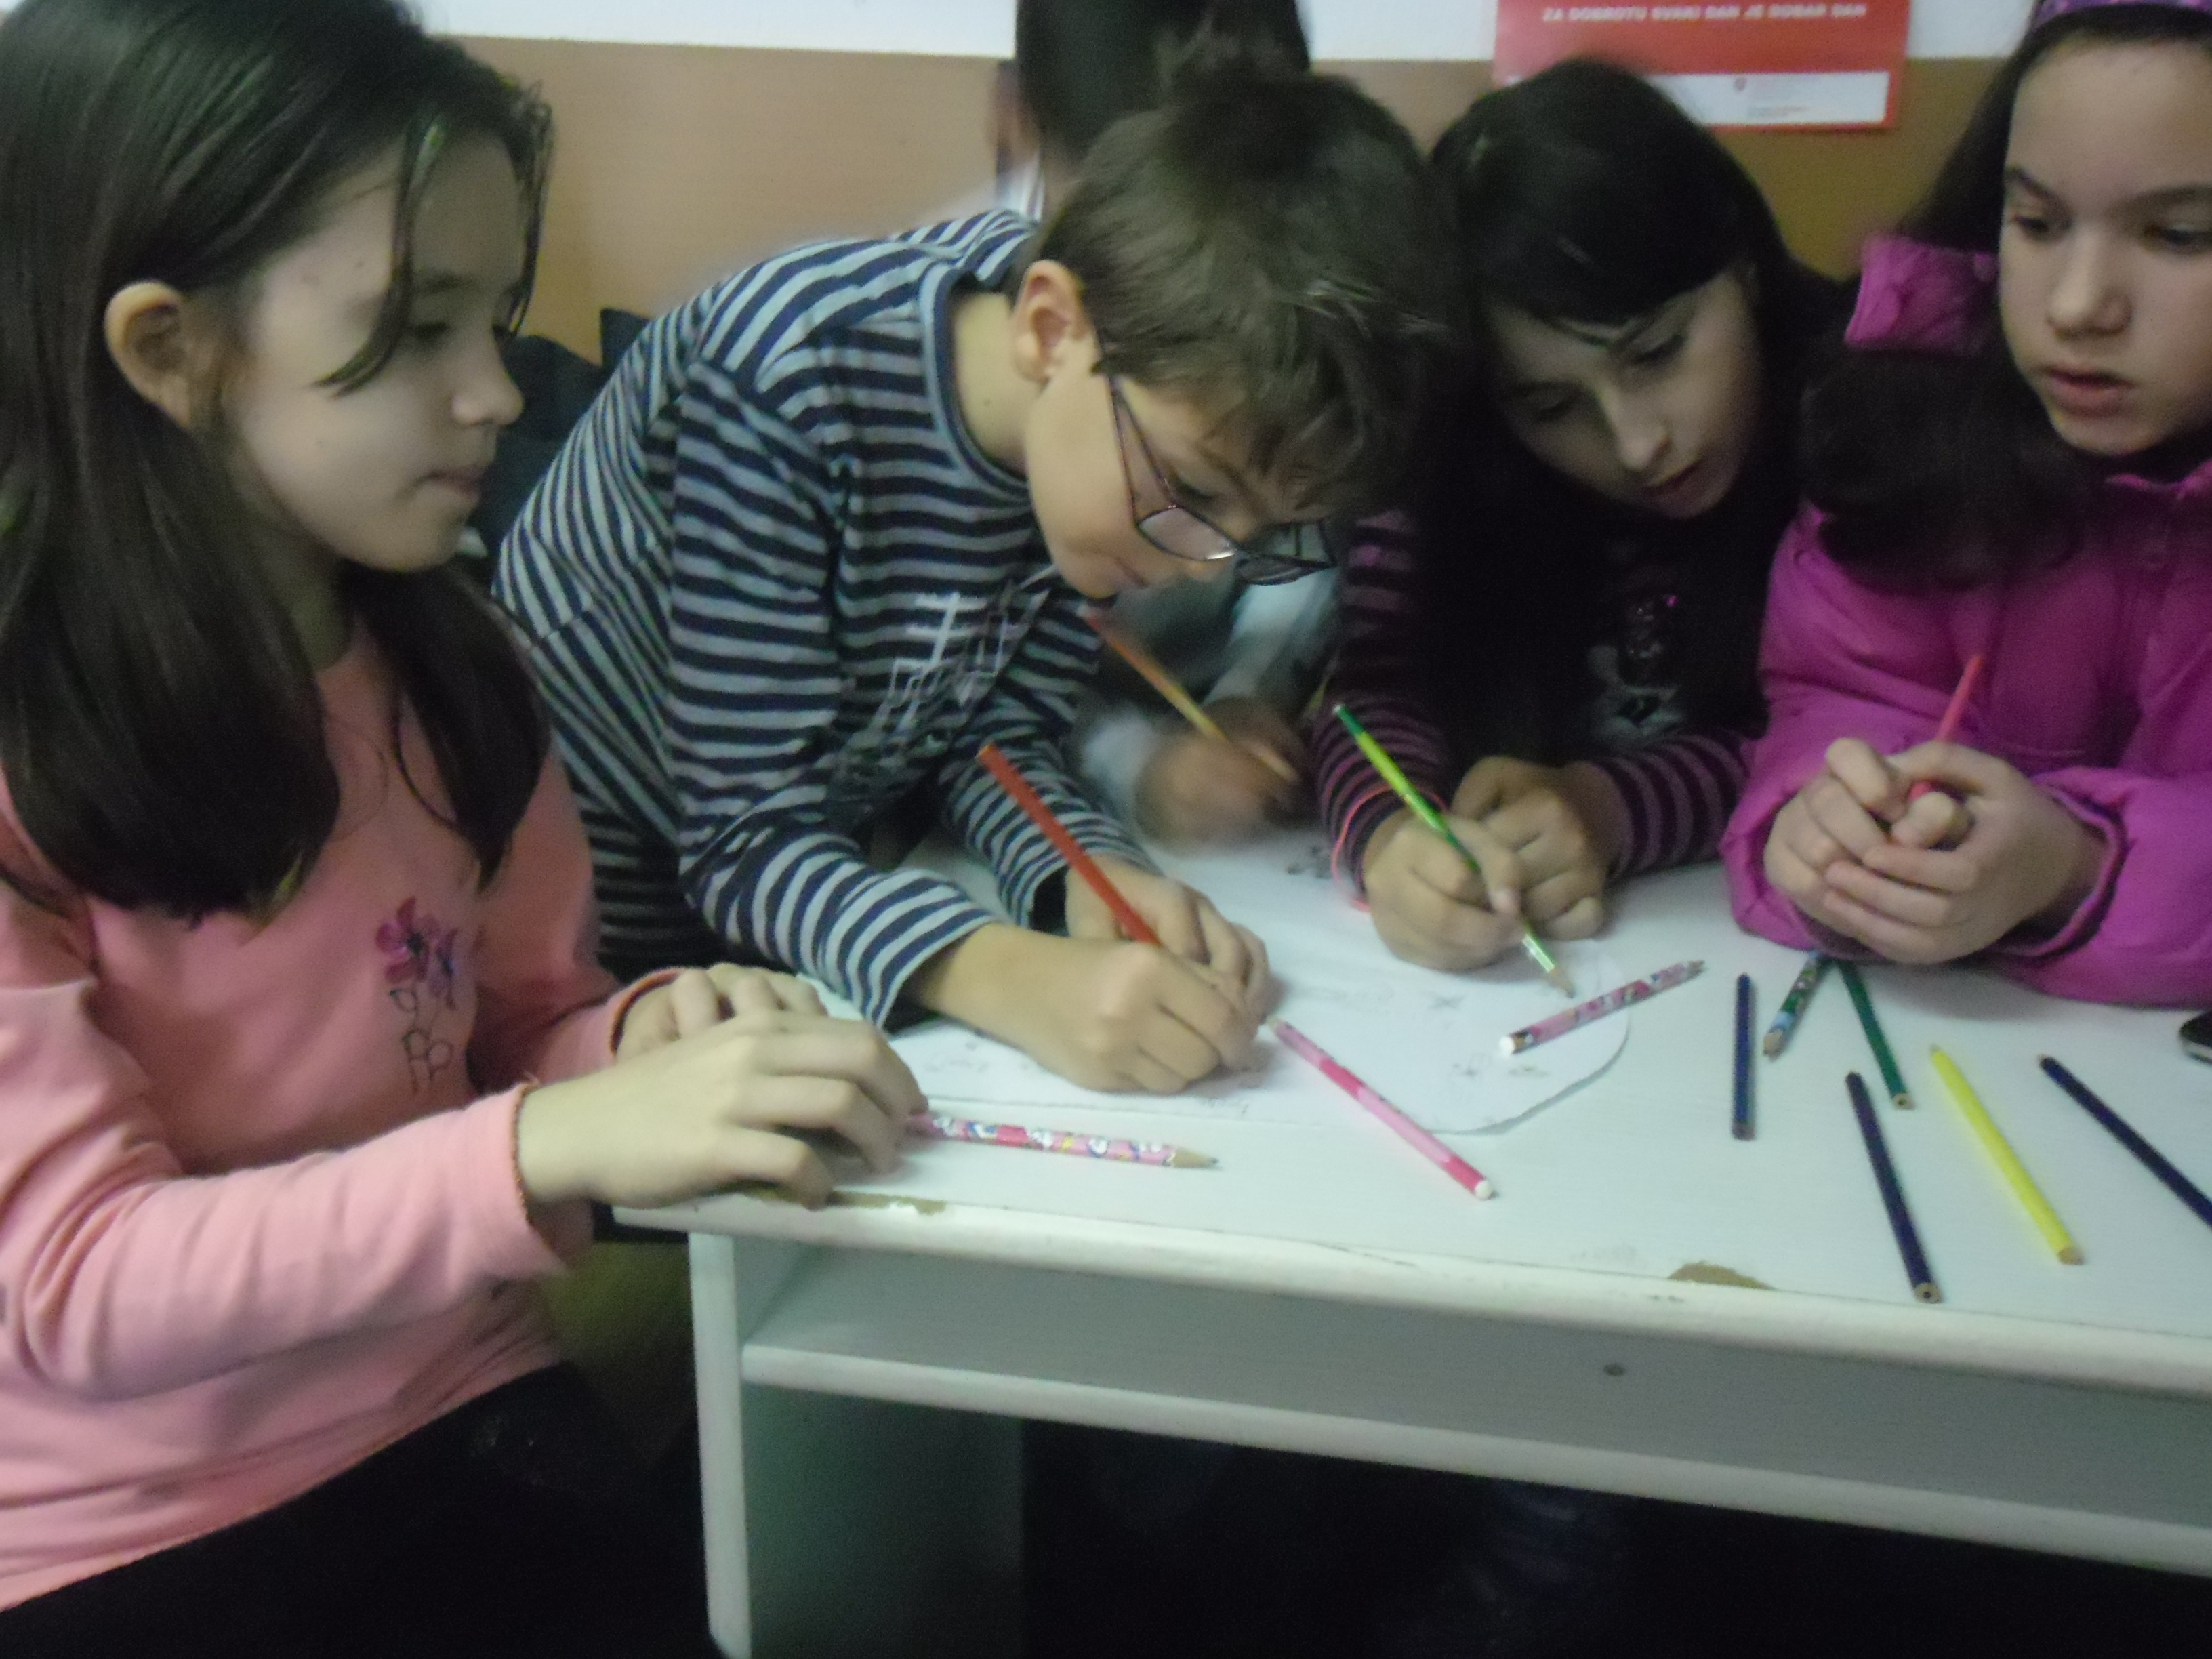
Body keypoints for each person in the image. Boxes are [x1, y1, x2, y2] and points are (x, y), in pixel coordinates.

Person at [0, 2, 920, 1650]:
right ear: (168, 350)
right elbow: (76, 1281)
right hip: (120, 1528)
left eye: (495, 319)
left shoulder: (449, 658)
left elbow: (507, 1030)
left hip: (456, 1395)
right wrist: (554, 1140)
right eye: (419, 326)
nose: (498, 391)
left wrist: (646, 1038)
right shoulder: (31, 739)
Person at [497, 43, 1462, 1091]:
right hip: (584, 940)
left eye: (1267, 533)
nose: (1204, 568)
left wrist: (1093, 878)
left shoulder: (1081, 452)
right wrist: (1006, 976)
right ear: (1051, 329)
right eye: (1195, 490)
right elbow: (744, 838)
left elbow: (993, 743)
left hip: (799, 907)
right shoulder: (789, 383)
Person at [1723, 0, 2212, 1008]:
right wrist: (1827, 831)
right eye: (2037, 222)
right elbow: (1835, 698)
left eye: (2177, 234)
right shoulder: (1910, 425)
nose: (2076, 306)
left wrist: (2074, 867)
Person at [1313, 59, 1847, 973]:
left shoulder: (1860, 426)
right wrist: (1394, 835)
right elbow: (1376, 692)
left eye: (1658, 352)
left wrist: (1611, 808)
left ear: (1743, 263)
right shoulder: (1452, 459)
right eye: (1553, 407)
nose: (1637, 444)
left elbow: (1850, 734)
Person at [1008, 0, 1338, 846]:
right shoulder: (995, 382)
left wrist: (1253, 688)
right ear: (1016, 128)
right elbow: (984, 709)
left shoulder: (1290, 293)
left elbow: (1300, 541)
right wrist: (1134, 765)